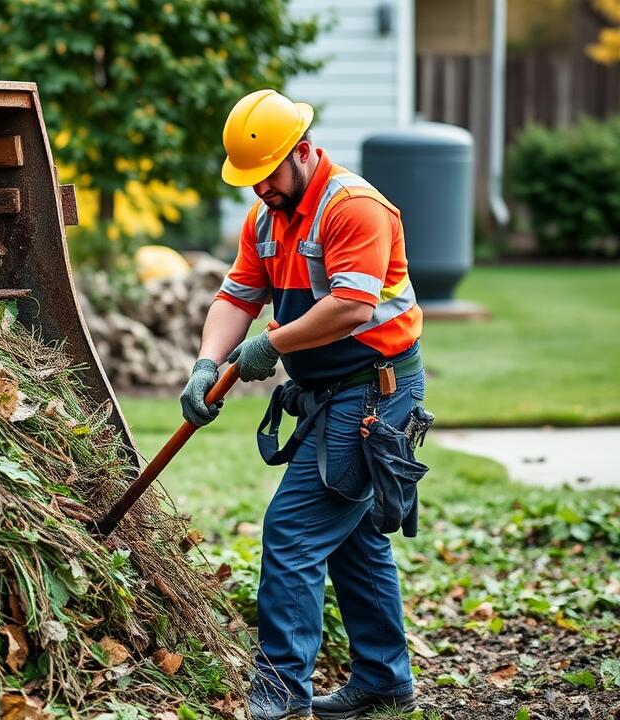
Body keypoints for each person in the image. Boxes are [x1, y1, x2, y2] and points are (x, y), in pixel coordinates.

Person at [181, 89, 426, 719]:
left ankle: (280, 694)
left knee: (292, 529)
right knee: (352, 538)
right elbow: (235, 298)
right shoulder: (265, 220)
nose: (259, 190)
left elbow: (352, 306)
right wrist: (209, 362)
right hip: (328, 393)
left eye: (266, 176)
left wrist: (272, 346)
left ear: (303, 151)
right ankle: (383, 679)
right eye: (249, 180)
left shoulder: (355, 208)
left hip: (376, 390)